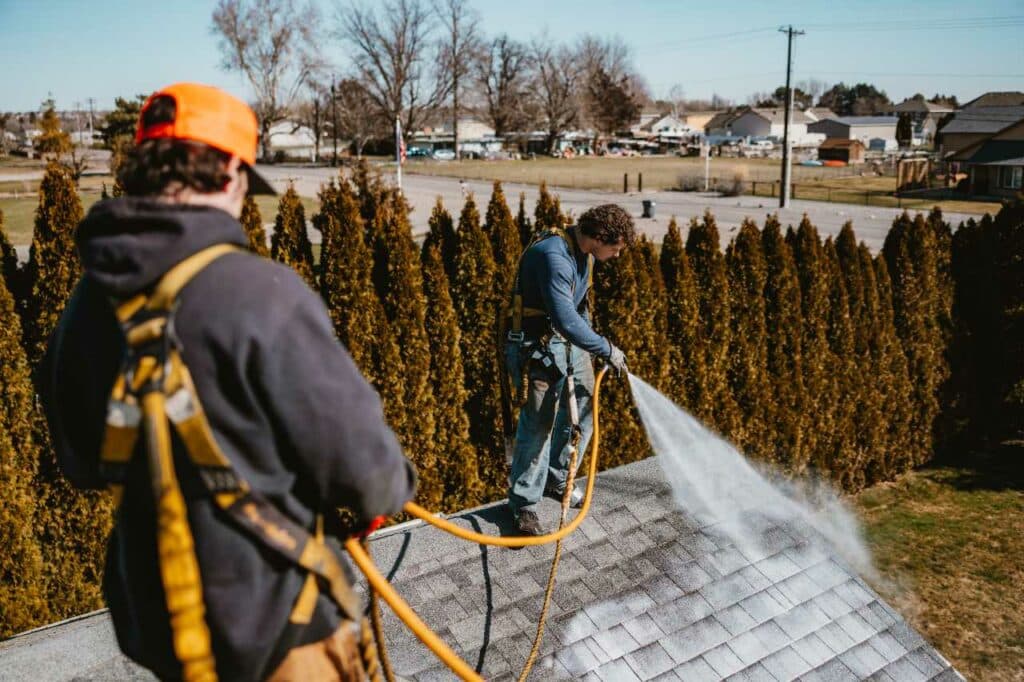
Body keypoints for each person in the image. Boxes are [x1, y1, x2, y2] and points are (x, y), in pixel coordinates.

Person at [39, 82, 416, 681]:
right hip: (278, 626)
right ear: (232, 173)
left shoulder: (83, 307)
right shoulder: (257, 293)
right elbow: (368, 475)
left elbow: (84, 465)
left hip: (160, 624)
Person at [503, 204, 634, 536]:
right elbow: (564, 317)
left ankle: (557, 478)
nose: (617, 256)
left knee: (587, 404)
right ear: (600, 237)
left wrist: (592, 348)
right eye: (616, 249)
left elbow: (579, 310)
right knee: (539, 423)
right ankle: (524, 505)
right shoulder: (555, 255)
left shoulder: (583, 254)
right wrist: (605, 348)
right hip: (534, 344)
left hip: (565, 340)